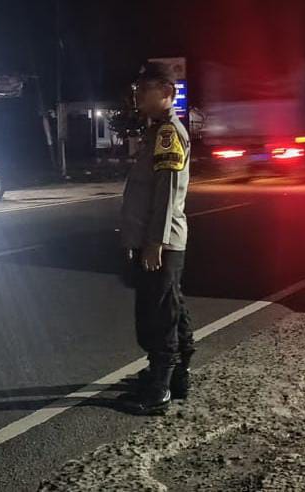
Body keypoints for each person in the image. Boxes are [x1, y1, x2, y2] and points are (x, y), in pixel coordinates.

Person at [119, 62, 194, 415]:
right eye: (137, 90)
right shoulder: (156, 131)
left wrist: (154, 242)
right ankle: (176, 376)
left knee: (157, 314)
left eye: (144, 90)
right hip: (157, 239)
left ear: (166, 92)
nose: (138, 97)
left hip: (160, 242)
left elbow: (166, 192)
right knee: (171, 306)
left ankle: (159, 389)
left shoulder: (167, 134)